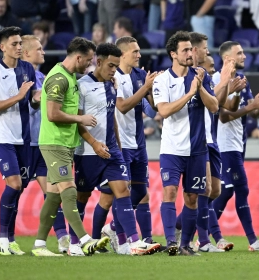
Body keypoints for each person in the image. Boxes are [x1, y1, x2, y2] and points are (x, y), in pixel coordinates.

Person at [72, 42, 160, 256]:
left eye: (116, 65)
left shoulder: (112, 84)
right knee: (82, 197)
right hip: (88, 152)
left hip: (111, 150)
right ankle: (76, 243)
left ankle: (134, 242)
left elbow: (112, 118)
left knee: (123, 191)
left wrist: (117, 146)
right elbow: (77, 121)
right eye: (111, 65)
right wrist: (94, 143)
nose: (114, 70)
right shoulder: (82, 85)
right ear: (99, 62)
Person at [31, 37, 109, 257]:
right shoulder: (59, 79)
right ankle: (84, 240)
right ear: (78, 57)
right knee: (70, 190)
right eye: (88, 59)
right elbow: (52, 114)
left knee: (54, 195)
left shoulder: (71, 77)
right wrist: (80, 119)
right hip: (54, 142)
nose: (90, 64)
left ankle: (39, 245)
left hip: (65, 143)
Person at [153, 31, 219, 256]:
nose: (191, 53)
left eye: (191, 49)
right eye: (185, 50)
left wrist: (199, 88)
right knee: (169, 191)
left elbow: (214, 107)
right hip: (171, 149)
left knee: (192, 197)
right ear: (173, 54)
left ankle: (185, 245)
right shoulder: (162, 79)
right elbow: (163, 111)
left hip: (198, 149)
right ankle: (171, 241)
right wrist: (190, 94)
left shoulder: (201, 75)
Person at [179, 32, 245, 253]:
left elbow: (221, 105)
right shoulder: (188, 75)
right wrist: (225, 79)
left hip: (211, 137)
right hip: (195, 140)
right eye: (205, 48)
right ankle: (206, 240)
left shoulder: (204, 74)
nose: (208, 51)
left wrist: (231, 89)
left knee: (214, 191)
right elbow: (213, 102)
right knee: (204, 191)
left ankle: (180, 224)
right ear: (195, 50)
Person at [212, 41, 259, 251]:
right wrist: (251, 106)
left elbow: (251, 112)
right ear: (228, 59)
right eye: (239, 53)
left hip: (238, 143)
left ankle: (204, 235)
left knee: (225, 193)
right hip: (224, 145)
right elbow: (223, 116)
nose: (244, 56)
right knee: (241, 188)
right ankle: (253, 241)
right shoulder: (217, 80)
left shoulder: (242, 81)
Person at [0, 26, 39, 256]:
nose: (19, 47)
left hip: (24, 139)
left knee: (18, 189)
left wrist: (37, 98)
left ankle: (11, 240)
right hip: (4, 138)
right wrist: (17, 96)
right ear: (2, 47)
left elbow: (31, 101)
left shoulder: (27, 69)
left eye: (20, 43)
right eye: (14, 44)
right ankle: (1, 239)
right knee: (14, 184)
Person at [99, 36, 159, 254]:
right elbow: (122, 106)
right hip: (120, 143)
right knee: (120, 192)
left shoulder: (140, 75)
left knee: (141, 190)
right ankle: (126, 240)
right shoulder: (113, 77)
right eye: (135, 51)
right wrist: (146, 88)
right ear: (122, 54)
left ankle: (113, 228)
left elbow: (152, 111)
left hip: (138, 142)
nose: (139, 55)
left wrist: (151, 90)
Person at [20, 34, 70, 253]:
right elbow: (31, 101)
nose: (44, 52)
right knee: (14, 191)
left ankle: (62, 238)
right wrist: (34, 97)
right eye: (39, 49)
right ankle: (6, 238)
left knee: (53, 192)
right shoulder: (18, 76)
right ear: (26, 53)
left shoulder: (43, 76)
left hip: (43, 143)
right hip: (23, 143)